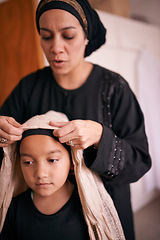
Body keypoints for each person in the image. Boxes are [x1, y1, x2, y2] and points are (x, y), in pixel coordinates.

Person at [0, 0, 151, 239]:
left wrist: (102, 138)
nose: (56, 47)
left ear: (86, 36)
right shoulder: (28, 88)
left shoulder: (113, 88)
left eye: (68, 36)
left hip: (104, 220)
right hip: (41, 222)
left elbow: (140, 161)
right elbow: (9, 159)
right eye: (46, 36)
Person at [0, 111, 125, 240]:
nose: (40, 173)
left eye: (52, 160)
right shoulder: (13, 209)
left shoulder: (89, 211)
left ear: (72, 161)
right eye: (28, 162)